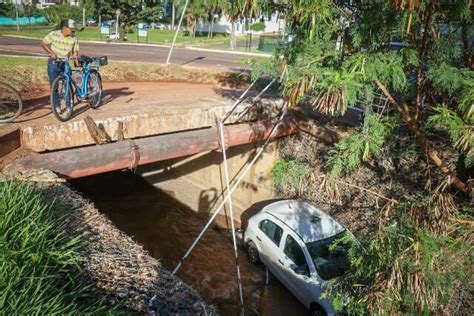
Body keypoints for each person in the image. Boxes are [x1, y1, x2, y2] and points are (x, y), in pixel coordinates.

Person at [40, 19, 79, 107]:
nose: (73, 31)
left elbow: (75, 51)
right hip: (54, 63)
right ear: (64, 28)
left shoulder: (74, 38)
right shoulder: (54, 34)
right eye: (71, 29)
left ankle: (69, 105)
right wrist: (51, 53)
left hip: (65, 63)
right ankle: (56, 106)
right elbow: (43, 42)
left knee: (67, 83)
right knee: (54, 85)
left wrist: (76, 60)